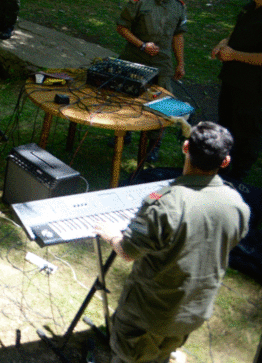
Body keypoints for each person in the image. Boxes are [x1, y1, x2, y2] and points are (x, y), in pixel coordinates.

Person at [95, 122, 249, 363]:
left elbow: (127, 252)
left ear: (186, 147)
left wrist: (112, 234)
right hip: (192, 312)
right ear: (225, 161)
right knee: (161, 355)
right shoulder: (237, 204)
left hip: (148, 315)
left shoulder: (163, 202)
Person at [210, 0, 262, 181]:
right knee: (225, 125)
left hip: (253, 89)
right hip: (232, 80)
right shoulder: (249, 9)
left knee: (246, 133)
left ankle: (238, 176)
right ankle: (221, 167)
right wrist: (222, 44)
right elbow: (234, 34)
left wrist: (235, 55)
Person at [116, 0, 186, 93]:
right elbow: (122, 27)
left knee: (161, 100)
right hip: (134, 61)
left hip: (162, 66)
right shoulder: (140, 2)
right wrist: (142, 45)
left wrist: (180, 64)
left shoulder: (178, 6)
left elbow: (178, 36)